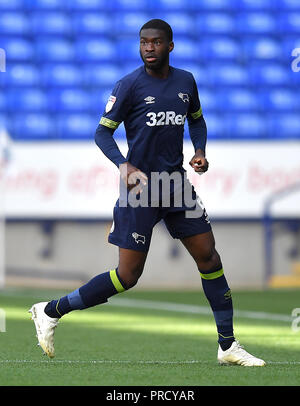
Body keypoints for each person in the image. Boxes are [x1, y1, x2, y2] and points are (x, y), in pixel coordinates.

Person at [29, 19, 265, 367]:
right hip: (139, 189)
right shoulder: (128, 86)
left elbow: (196, 120)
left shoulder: (186, 81)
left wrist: (199, 150)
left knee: (210, 258)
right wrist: (123, 165)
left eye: (155, 42)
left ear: (170, 46)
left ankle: (228, 346)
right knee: (127, 276)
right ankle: (51, 310)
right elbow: (102, 134)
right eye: (143, 43)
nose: (148, 48)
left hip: (176, 185)